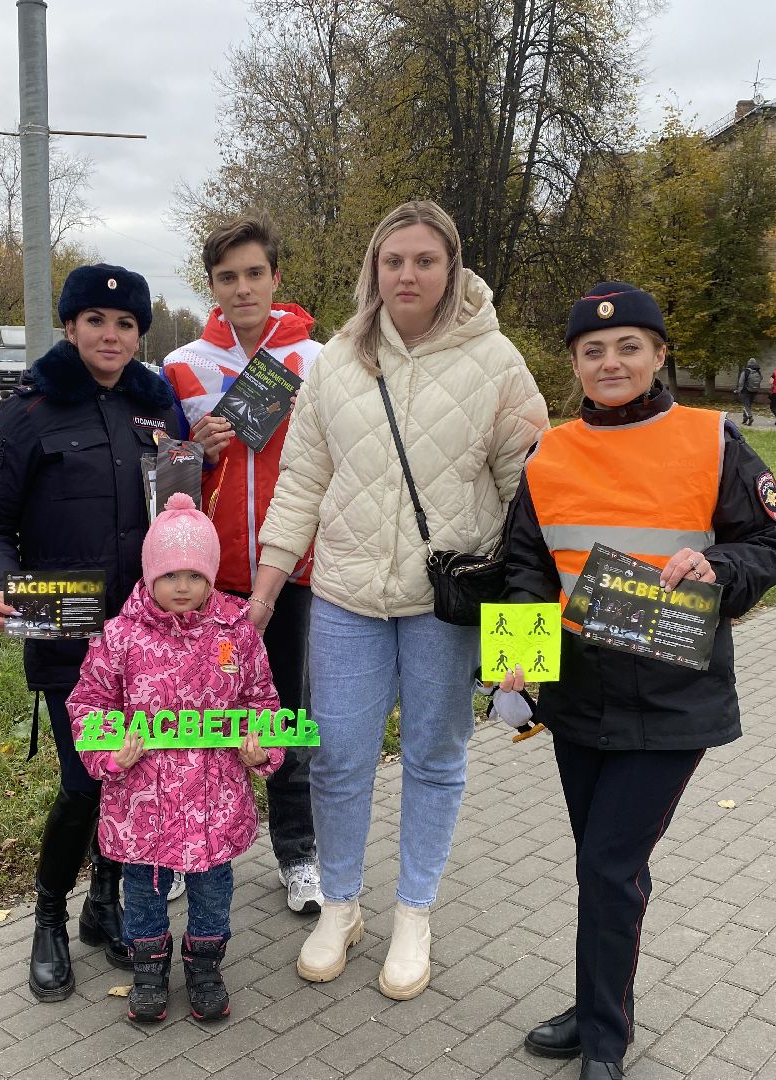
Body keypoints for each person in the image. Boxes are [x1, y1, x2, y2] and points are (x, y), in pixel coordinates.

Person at [499, 282, 776, 1080]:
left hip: (672, 697)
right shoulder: (549, 451)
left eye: (629, 346)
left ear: (660, 354)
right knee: (599, 864)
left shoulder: (712, 440)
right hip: (577, 695)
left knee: (607, 866)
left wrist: (721, 564)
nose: (610, 362)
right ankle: (596, 1004)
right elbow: (527, 563)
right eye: (592, 351)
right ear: (573, 363)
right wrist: (517, 657)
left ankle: (605, 1038)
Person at [252, 200, 548, 1000]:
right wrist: (265, 590)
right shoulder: (338, 362)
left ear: (450, 266)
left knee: (436, 759)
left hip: (442, 606)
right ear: (372, 271)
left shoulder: (498, 363)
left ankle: (414, 911)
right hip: (345, 596)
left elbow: (532, 508)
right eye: (393, 261)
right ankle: (341, 905)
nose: (407, 274)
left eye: (424, 260)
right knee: (339, 757)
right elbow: (303, 479)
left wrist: (526, 644)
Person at [0, 263, 180, 1002]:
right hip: (69, 635)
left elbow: (179, 518)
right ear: (69, 326)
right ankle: (49, 917)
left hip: (150, 639)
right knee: (86, 782)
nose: (111, 335)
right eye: (96, 321)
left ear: (139, 335)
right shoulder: (27, 412)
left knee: (133, 775)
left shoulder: (158, 410)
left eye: (124, 324)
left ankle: (104, 905)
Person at [68, 493, 285, 1024]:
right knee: (143, 888)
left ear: (211, 575)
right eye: (170, 575)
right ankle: (148, 969)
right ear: (149, 576)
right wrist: (110, 751)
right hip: (143, 798)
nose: (182, 586)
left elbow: (262, 701)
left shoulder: (237, 634)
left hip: (216, 799)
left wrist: (261, 747)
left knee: (214, 886)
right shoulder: (119, 637)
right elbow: (88, 702)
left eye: (194, 574)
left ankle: (205, 966)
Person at [161, 214, 323, 915]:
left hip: (296, 573)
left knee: (286, 716)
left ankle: (298, 853)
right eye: (228, 277)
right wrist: (196, 450)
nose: (243, 287)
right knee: (200, 717)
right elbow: (163, 478)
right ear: (213, 286)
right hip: (210, 577)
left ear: (276, 277)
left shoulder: (318, 360)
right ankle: (185, 849)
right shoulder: (182, 365)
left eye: (255, 273)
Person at [735, 356, 762, 425]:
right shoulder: (758, 372)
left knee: (746, 405)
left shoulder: (745, 371)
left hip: (745, 390)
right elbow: (761, 379)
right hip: (754, 391)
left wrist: (739, 390)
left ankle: (750, 417)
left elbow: (741, 382)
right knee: (748, 405)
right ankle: (745, 419)